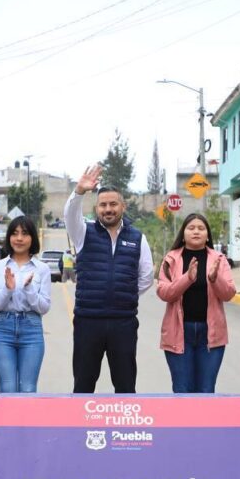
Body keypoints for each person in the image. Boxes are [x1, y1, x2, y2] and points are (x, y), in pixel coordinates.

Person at [64, 164, 154, 393]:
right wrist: (79, 191)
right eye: (103, 205)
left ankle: (124, 429)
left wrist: (124, 294)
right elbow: (69, 214)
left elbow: (146, 276)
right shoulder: (83, 232)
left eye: (113, 204)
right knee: (83, 384)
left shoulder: (137, 238)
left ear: (122, 206)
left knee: (125, 386)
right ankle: (81, 429)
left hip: (123, 323)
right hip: (87, 322)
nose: (108, 209)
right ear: (96, 208)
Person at [157, 213, 237, 393]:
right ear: (183, 233)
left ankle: (204, 423)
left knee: (206, 390)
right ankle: (183, 422)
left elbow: (229, 294)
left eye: (201, 228)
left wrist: (215, 278)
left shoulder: (218, 259)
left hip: (210, 334)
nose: (196, 232)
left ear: (207, 235)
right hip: (179, 331)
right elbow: (164, 293)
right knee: (182, 389)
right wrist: (187, 279)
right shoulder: (171, 258)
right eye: (191, 228)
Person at [0, 217, 51, 392]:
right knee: (7, 389)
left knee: (28, 389)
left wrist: (28, 289)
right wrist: (7, 290)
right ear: (9, 238)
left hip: (32, 329)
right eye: (14, 234)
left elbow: (44, 307)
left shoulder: (41, 268)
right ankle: (6, 421)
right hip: (3, 330)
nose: (19, 238)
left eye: (24, 233)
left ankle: (26, 421)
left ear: (33, 238)